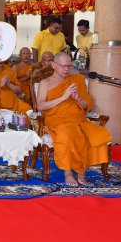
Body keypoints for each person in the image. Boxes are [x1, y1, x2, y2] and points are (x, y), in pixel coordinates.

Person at [35, 53, 111, 186]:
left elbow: (87, 105)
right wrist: (63, 98)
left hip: (78, 118)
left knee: (91, 134)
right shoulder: (45, 83)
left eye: (69, 66)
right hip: (57, 119)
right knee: (66, 135)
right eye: (63, 66)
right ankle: (68, 172)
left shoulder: (77, 80)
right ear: (53, 65)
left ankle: (81, 171)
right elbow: (40, 105)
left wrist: (78, 99)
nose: (66, 69)